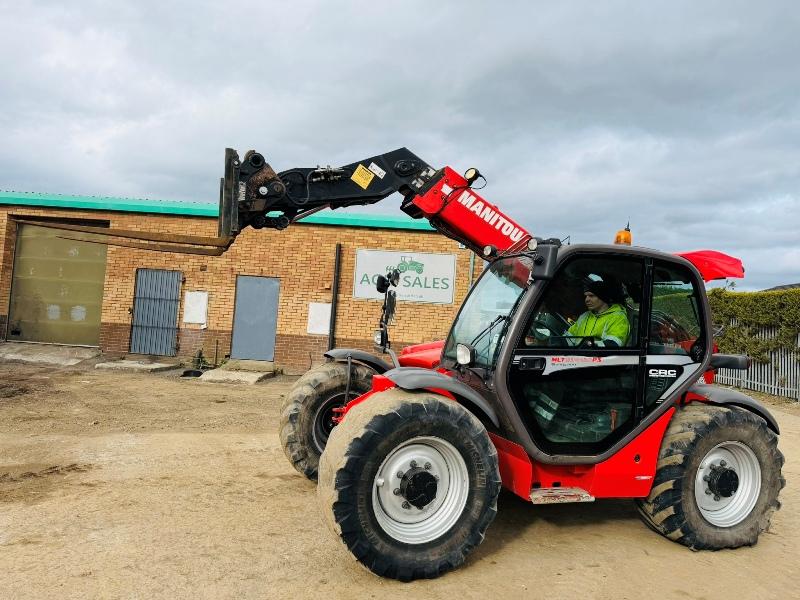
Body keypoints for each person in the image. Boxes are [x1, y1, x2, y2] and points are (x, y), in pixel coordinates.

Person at [566, 278, 630, 347]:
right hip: (576, 353)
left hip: (598, 354)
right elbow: (568, 339)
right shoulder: (585, 316)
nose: (586, 300)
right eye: (586, 296)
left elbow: (613, 344)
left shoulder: (618, 318)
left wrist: (589, 345)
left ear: (603, 297)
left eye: (591, 296)